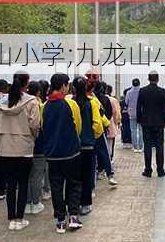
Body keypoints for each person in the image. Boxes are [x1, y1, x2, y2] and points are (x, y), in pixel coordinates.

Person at [0, 72, 40, 230]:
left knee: (11, 184)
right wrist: (31, 136)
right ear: (26, 84)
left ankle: (11, 218)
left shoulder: (4, 102)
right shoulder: (31, 101)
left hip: (5, 147)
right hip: (24, 146)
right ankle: (19, 219)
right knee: (23, 183)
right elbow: (35, 124)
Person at [42, 73, 83, 234]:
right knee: (73, 184)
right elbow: (77, 127)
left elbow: (42, 126)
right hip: (71, 153)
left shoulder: (45, 105)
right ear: (64, 86)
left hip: (52, 154)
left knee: (56, 187)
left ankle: (60, 221)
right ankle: (73, 216)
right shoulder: (71, 104)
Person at [71, 76, 105, 216]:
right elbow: (97, 124)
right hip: (88, 144)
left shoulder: (70, 102)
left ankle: (73, 204)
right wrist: (93, 137)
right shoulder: (91, 103)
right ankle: (85, 204)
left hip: (73, 146)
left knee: (74, 177)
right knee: (87, 176)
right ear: (86, 87)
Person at [137, 71, 165, 178]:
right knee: (160, 146)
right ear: (158, 79)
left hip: (146, 122)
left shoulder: (143, 91)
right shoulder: (162, 91)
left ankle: (148, 170)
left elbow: (139, 107)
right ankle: (160, 170)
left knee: (147, 146)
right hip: (159, 123)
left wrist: (139, 119)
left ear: (148, 78)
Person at [25, 81, 47, 215]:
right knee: (38, 175)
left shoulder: (21, 104)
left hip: (24, 145)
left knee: (26, 175)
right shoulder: (40, 105)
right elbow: (40, 125)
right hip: (39, 144)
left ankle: (27, 203)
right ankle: (35, 202)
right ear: (39, 92)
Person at [125, 78, 143, 153]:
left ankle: (135, 147)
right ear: (139, 84)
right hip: (141, 113)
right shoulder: (142, 91)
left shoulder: (129, 92)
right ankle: (141, 147)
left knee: (133, 130)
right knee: (141, 130)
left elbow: (126, 102)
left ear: (132, 84)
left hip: (132, 113)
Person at [105, 84, 122, 160]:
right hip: (111, 123)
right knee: (111, 142)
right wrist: (117, 122)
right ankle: (110, 157)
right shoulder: (113, 100)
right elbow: (116, 113)